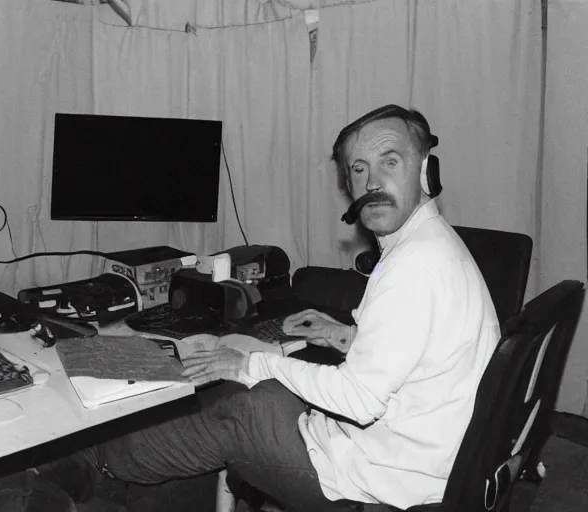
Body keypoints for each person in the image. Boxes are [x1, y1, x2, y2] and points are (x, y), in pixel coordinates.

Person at [36, 105, 501, 510]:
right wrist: (341, 335)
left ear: (425, 171)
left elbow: (360, 400)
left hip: (386, 477)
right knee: (250, 393)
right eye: (358, 169)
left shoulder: (414, 268)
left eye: (389, 161)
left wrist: (251, 362)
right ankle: (112, 466)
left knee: (236, 409)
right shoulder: (432, 245)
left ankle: (94, 462)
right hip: (426, 450)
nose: (372, 182)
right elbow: (416, 351)